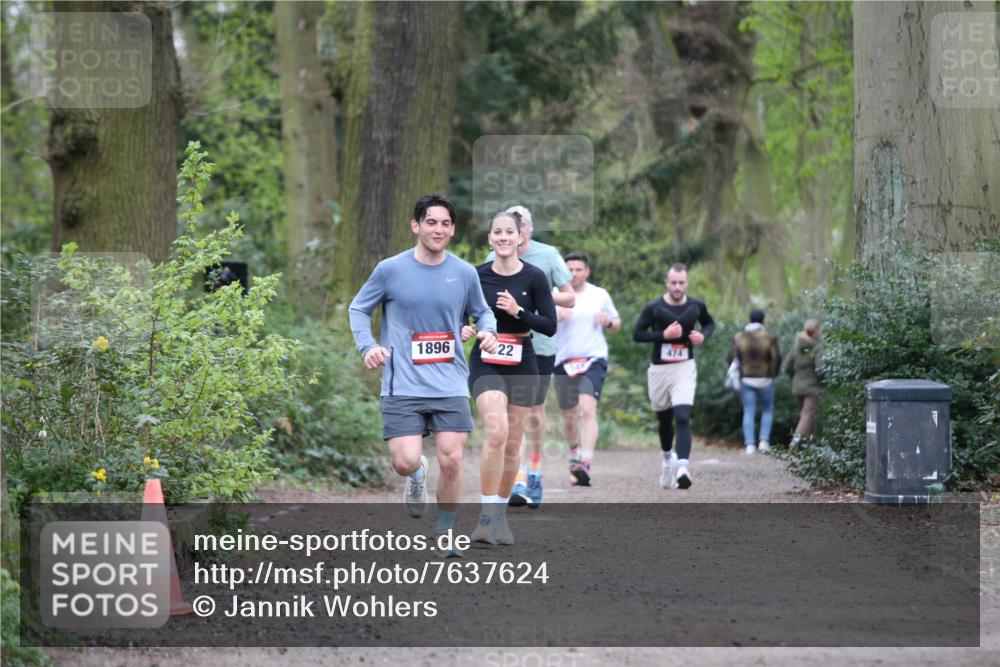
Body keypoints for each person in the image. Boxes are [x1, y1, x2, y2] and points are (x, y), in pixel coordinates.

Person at [349, 194, 498, 556]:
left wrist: (489, 331)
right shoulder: (390, 270)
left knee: (453, 458)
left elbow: (483, 312)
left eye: (445, 224)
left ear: (453, 229)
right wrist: (368, 346)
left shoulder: (464, 273)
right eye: (431, 222)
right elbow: (358, 308)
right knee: (404, 461)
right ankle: (417, 472)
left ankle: (445, 531)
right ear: (416, 225)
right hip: (403, 382)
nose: (438, 229)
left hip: (449, 381)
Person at [461, 210, 556, 544]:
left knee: (514, 442)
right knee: (496, 431)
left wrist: (519, 312)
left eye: (509, 232)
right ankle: (485, 518)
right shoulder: (475, 276)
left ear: (520, 237)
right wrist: (464, 329)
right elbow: (459, 315)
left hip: (523, 359)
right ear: (490, 239)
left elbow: (550, 325)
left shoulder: (534, 277)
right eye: (497, 232)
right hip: (486, 360)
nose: (503, 237)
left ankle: (499, 518)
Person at [486, 205, 575, 508]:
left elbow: (570, 297)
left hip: (541, 346)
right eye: (505, 227)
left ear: (528, 229)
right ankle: (519, 477)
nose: (513, 231)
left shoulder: (548, 255)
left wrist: (539, 298)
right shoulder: (493, 257)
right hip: (503, 344)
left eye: (520, 224)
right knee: (509, 415)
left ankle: (534, 471)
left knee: (534, 413)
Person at [633, 263, 715, 490]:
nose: (677, 287)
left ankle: (683, 468)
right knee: (664, 420)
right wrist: (663, 335)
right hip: (659, 370)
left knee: (682, 416)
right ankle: (667, 460)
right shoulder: (653, 307)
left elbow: (709, 324)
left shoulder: (696, 305)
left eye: (681, 283)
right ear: (667, 283)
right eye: (673, 282)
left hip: (684, 367)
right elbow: (637, 334)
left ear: (687, 284)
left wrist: (703, 336)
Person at [552, 251, 621, 487]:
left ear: (587, 271)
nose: (574, 274)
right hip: (562, 360)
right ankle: (575, 455)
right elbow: (539, 324)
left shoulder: (599, 294)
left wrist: (607, 322)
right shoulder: (554, 294)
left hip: (593, 359)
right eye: (569, 270)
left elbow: (616, 324)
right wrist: (555, 318)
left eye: (578, 269)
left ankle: (585, 463)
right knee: (569, 416)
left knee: (587, 409)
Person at [727, 309, 782, 454]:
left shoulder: (739, 337)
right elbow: (776, 359)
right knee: (767, 409)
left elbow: (731, 357)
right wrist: (772, 374)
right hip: (765, 379)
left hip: (746, 378)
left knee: (748, 411)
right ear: (763, 320)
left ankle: (750, 445)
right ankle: (764, 442)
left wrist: (738, 372)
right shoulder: (770, 338)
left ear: (749, 319)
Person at [784, 318, 823, 448]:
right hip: (812, 388)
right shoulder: (818, 347)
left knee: (807, 416)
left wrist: (794, 378)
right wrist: (824, 382)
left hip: (797, 388)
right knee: (807, 416)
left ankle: (811, 446)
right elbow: (821, 369)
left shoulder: (796, 346)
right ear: (817, 331)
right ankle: (795, 442)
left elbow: (787, 366)